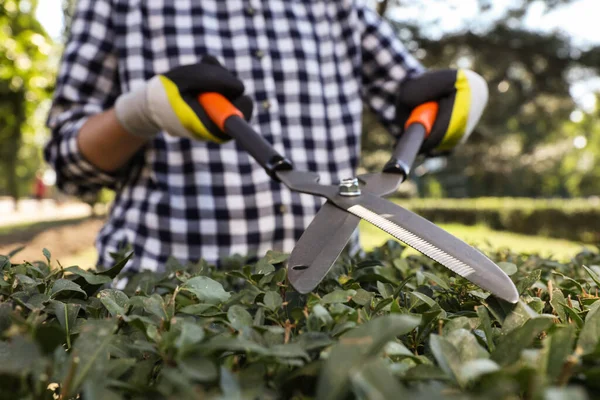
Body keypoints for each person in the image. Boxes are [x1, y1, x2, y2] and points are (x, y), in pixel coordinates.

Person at [45, 1, 488, 274]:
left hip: (332, 301)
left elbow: (414, 99)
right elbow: (67, 160)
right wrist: (137, 113)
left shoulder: (335, 5)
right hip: (163, 303)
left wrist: (448, 106)